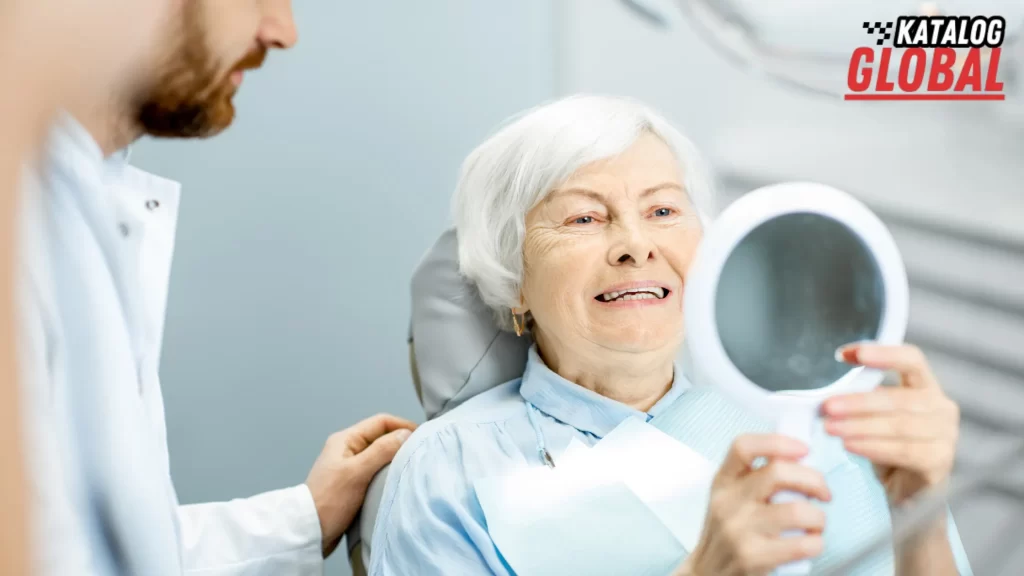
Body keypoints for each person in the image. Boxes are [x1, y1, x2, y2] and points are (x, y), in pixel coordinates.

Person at [368, 94, 971, 575]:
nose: (636, 245)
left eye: (661, 211)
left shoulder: (820, 422)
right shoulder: (450, 468)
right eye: (585, 217)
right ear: (515, 282)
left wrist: (920, 510)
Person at [17, 0, 416, 574]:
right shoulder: (26, 222)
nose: (282, 32)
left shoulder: (78, 203)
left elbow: (82, 544)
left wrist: (306, 516)